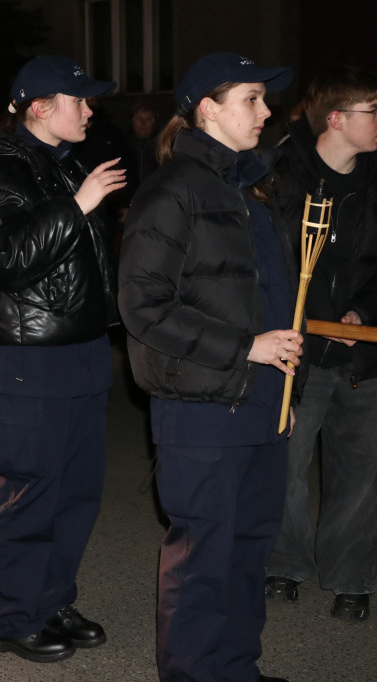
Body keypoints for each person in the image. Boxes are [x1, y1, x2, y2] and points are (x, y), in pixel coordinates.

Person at [118, 53, 300, 682]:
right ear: (208, 109)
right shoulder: (171, 191)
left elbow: (270, 298)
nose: (266, 111)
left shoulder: (249, 189)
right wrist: (244, 348)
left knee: (248, 552)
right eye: (251, 98)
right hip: (200, 406)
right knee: (204, 559)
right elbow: (141, 306)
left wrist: (281, 385)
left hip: (259, 401)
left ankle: (235, 670)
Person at [0, 55, 123, 664]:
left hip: (78, 348)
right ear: (38, 106)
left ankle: (50, 598)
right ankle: (9, 618)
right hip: (27, 355)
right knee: (28, 489)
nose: (89, 109)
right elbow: (1, 256)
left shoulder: (59, 161)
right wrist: (77, 205)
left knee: (76, 491)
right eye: (78, 100)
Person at [266, 66, 377, 623]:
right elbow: (268, 262)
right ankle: (283, 563)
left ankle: (350, 574)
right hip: (301, 352)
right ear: (337, 119)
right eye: (372, 111)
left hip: (362, 353)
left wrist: (367, 309)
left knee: (359, 469)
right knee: (286, 462)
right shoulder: (285, 176)